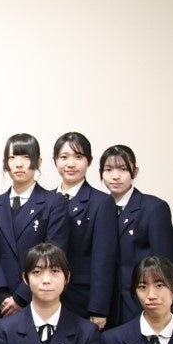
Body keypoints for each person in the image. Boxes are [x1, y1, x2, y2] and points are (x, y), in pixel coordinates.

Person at [99, 145, 173, 327]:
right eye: (108, 170)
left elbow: (166, 264)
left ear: (134, 171)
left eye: (123, 169)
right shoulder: (99, 207)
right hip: (108, 304)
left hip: (141, 301)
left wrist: (170, 307)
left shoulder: (154, 208)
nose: (115, 176)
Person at [0, 133, 68, 319]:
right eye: (12, 157)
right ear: (5, 162)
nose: (19, 164)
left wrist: (20, 296)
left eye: (26, 157)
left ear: (38, 161)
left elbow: (53, 253)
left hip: (37, 298)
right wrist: (0, 294)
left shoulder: (54, 202)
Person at [53, 132, 117, 330]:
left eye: (78, 157)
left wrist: (98, 308)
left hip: (82, 296)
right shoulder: (46, 200)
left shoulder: (102, 202)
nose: (71, 164)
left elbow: (103, 260)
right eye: (64, 157)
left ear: (89, 161)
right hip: (47, 295)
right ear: (55, 160)